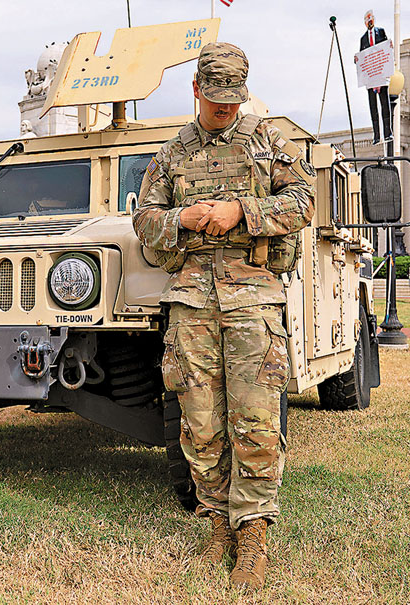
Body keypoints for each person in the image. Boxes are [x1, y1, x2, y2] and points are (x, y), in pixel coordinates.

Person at [133, 43, 316, 589]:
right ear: (196, 91)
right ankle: (216, 521)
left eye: (233, 100)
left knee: (256, 415)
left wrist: (243, 211)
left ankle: (254, 530)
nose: (226, 110)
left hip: (253, 298)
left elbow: (306, 203)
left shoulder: (267, 141)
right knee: (201, 416)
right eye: (216, 101)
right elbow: (143, 220)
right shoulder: (170, 155)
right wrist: (180, 218)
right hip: (191, 300)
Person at [357, 10, 392, 145]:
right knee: (373, 107)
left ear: (374, 20)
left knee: (385, 105)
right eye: (367, 19)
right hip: (371, 77)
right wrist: (357, 60)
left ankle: (388, 133)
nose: (369, 21)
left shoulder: (381, 32)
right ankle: (376, 135)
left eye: (371, 18)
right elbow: (362, 57)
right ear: (365, 23)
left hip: (381, 74)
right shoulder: (363, 39)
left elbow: (386, 50)